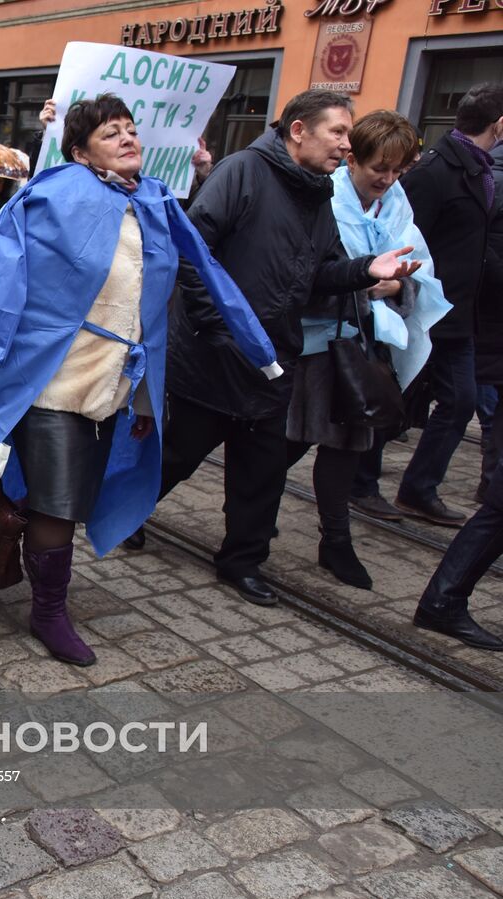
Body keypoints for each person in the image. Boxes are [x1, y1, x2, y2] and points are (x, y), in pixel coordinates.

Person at [0, 94, 281, 666]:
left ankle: (24, 538)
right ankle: (49, 612)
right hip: (55, 381)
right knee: (60, 505)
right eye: (111, 133)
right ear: (82, 151)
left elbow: (162, 307)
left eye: (131, 129)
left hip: (116, 384)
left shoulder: (156, 203)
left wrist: (144, 395)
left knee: (75, 492)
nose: (128, 138)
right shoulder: (54, 195)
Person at [139, 90, 420, 607]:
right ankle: (128, 513)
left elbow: (322, 273)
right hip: (214, 356)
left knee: (262, 470)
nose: (345, 143)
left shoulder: (316, 192)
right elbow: (192, 252)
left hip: (272, 358)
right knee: (178, 454)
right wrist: (217, 328)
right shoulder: (242, 171)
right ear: (298, 131)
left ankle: (242, 562)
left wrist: (367, 271)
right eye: (337, 132)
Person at [287, 110, 451, 590]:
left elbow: (418, 274)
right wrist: (363, 284)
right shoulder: (323, 199)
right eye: (380, 166)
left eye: (398, 169)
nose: (387, 178)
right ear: (353, 159)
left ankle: (335, 541)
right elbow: (303, 276)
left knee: (346, 445)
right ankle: (246, 517)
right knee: (285, 445)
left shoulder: (396, 207)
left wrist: (397, 290)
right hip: (315, 342)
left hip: (362, 345)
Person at [387, 82, 503, 527]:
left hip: (459, 314)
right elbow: (404, 240)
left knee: (458, 402)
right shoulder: (434, 171)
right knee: (394, 397)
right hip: (426, 309)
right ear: (498, 125)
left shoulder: (478, 168)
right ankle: (360, 479)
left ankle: (417, 488)